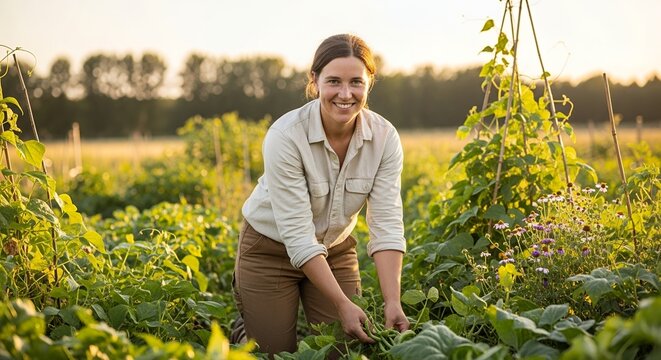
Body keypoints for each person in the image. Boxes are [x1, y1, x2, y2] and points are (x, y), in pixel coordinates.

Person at [232, 33, 409, 356]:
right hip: (270, 251)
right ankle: (247, 330)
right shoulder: (286, 136)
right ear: (314, 82)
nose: (345, 94)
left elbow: (386, 224)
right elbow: (298, 236)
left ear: (370, 82)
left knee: (343, 351)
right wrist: (342, 303)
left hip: (335, 249)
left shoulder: (384, 138)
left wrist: (392, 301)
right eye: (333, 82)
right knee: (273, 353)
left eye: (356, 81)